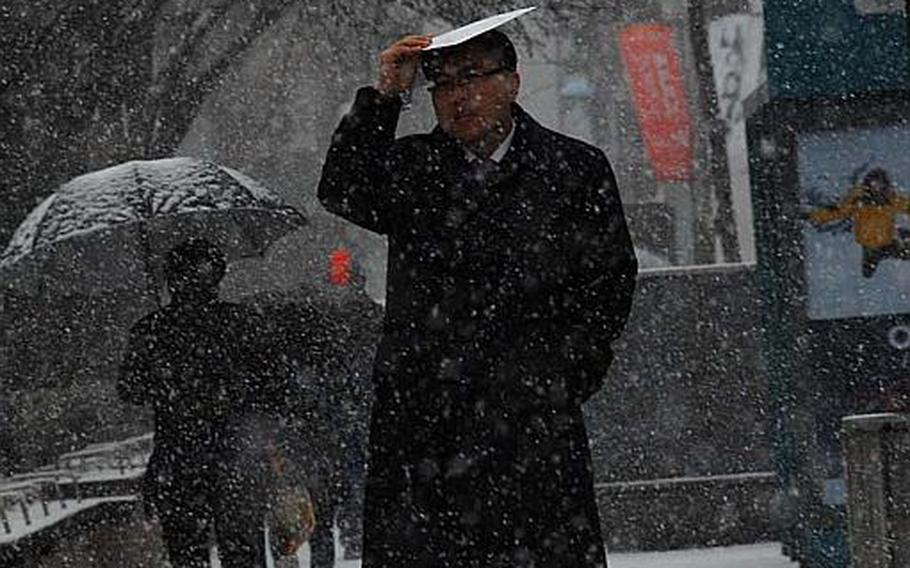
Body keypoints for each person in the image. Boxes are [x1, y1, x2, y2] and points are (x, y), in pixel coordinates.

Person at [317, 29, 637, 568]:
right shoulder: (413, 169)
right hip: (423, 429)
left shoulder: (572, 169)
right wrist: (386, 96)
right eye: (441, 85)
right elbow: (342, 189)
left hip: (532, 429)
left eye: (473, 78)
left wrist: (563, 375)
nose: (458, 96)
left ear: (512, 82)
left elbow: (608, 282)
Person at [118, 238, 295, 568]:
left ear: (170, 281)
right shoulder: (243, 322)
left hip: (177, 459)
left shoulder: (151, 330)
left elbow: (130, 391)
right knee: (243, 550)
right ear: (217, 277)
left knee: (186, 554)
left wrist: (165, 377)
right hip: (238, 458)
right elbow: (278, 387)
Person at [808, 167, 910, 277]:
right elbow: (838, 212)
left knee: (903, 240)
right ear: (868, 184)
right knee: (868, 273)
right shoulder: (858, 199)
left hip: (888, 241)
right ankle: (870, 268)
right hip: (869, 245)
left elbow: (907, 206)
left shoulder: (891, 199)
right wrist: (812, 216)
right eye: (874, 184)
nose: (877, 188)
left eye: (880, 185)